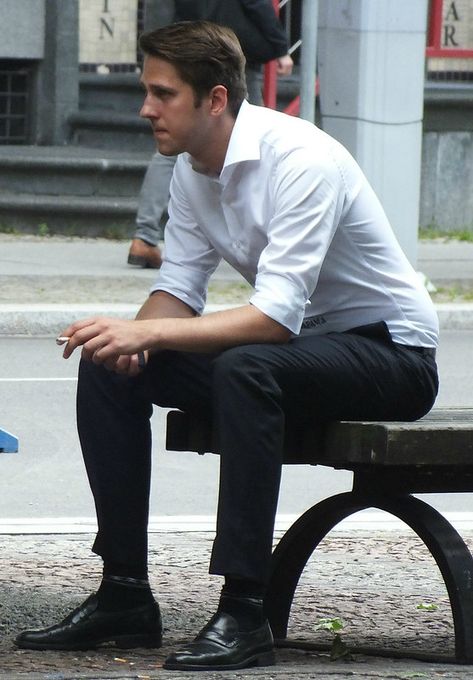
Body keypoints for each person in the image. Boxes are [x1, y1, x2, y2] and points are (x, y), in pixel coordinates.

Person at [15, 20, 439, 671]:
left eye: (163, 94)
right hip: (299, 356)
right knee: (111, 366)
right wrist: (128, 337)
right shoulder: (191, 170)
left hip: (390, 356)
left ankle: (244, 611)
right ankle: (124, 593)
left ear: (214, 98)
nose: (145, 108)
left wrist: (150, 332)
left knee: (246, 366)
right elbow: (178, 291)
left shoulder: (299, 160)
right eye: (146, 91)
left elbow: (272, 316)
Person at [127, 0, 293, 268]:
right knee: (248, 143)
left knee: (193, 147)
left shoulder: (306, 162)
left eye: (161, 94)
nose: (145, 110)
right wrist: (279, 45)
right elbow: (255, 4)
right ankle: (259, 243)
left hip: (197, 50)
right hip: (227, 55)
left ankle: (144, 235)